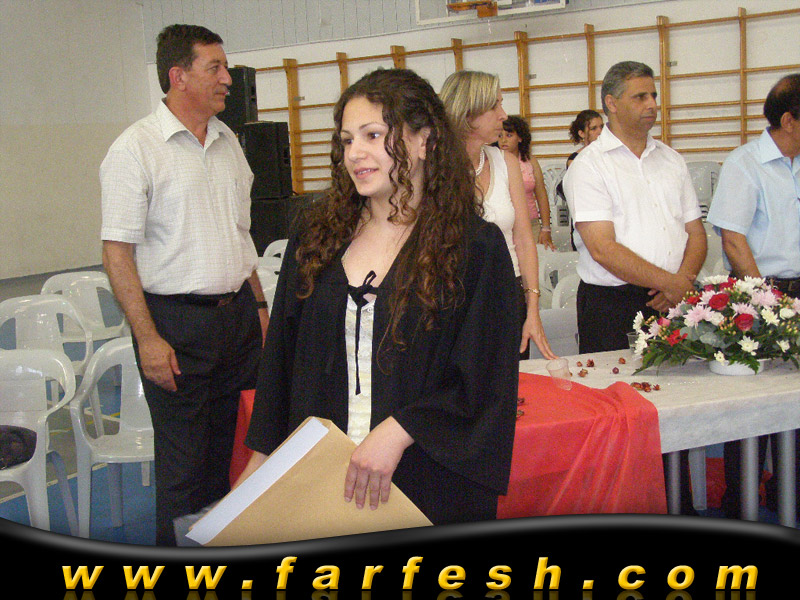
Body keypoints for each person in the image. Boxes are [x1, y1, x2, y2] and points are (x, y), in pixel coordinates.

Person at [238, 68, 520, 525]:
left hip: (425, 480)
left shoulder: (475, 249)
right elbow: (281, 367)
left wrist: (401, 430)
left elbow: (486, 379)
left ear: (424, 140)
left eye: (373, 135)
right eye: (347, 140)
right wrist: (257, 470)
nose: (355, 153)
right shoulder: (315, 238)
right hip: (323, 480)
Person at [100, 24, 269, 546]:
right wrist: (148, 338)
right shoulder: (135, 149)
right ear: (179, 76)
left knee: (233, 455)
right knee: (184, 469)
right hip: (174, 326)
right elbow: (117, 252)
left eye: (226, 67)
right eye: (215, 67)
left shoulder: (228, 142)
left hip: (238, 319)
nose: (228, 78)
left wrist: (260, 309)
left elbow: (242, 237)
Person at [562, 61, 707, 515]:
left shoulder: (671, 160)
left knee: (678, 408)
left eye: (653, 95)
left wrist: (680, 285)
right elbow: (602, 248)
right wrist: (673, 282)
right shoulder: (589, 166)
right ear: (611, 103)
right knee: (618, 417)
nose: (652, 105)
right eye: (640, 96)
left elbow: (696, 233)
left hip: (672, 299)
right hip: (613, 305)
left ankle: (679, 504)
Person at [705, 72, 800, 520]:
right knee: (752, 407)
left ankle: (789, 493)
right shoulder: (744, 163)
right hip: (758, 292)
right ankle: (740, 499)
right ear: (789, 120)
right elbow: (733, 239)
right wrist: (768, 302)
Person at [439, 70, 556, 361]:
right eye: (494, 106)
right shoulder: (432, 168)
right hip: (450, 300)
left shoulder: (506, 162)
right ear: (467, 113)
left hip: (506, 295)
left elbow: (524, 240)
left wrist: (532, 309)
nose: (503, 115)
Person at [498, 115, 555, 250]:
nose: (503, 140)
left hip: (531, 223)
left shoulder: (530, 161)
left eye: (509, 135)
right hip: (502, 226)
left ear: (520, 138)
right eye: (500, 136)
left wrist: (546, 228)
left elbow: (541, 196)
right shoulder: (493, 162)